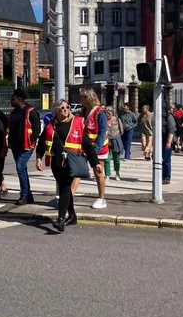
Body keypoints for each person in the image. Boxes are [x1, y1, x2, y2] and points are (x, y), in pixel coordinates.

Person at [36, 100, 101, 232]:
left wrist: (95, 163)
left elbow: (87, 144)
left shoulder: (77, 123)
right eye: (62, 108)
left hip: (71, 161)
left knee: (65, 188)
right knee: (64, 188)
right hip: (56, 162)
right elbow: (42, 142)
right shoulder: (50, 125)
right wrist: (38, 158)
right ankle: (72, 216)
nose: (65, 109)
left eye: (67, 107)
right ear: (56, 110)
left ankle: (60, 219)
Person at [8, 89, 40, 205]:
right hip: (15, 145)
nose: (11, 101)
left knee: (20, 167)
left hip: (27, 145)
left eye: (13, 99)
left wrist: (31, 141)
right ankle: (29, 195)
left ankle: (24, 195)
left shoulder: (31, 111)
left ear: (19, 99)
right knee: (23, 169)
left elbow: (36, 129)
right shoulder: (13, 113)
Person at [78, 88, 108, 209]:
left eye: (81, 97)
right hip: (85, 147)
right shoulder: (83, 111)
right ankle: (69, 195)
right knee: (76, 170)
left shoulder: (100, 112)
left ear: (88, 98)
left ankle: (101, 198)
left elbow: (102, 132)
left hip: (98, 148)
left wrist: (96, 149)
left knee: (98, 173)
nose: (79, 100)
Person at [104, 106, 125, 181]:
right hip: (106, 141)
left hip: (115, 140)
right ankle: (107, 175)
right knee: (107, 159)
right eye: (106, 113)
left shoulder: (117, 120)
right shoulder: (104, 120)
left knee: (116, 158)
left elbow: (121, 131)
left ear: (113, 113)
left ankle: (117, 172)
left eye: (109, 113)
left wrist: (116, 136)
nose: (108, 114)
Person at [161, 105, 177, 184]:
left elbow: (171, 130)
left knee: (166, 159)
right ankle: (160, 176)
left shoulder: (169, 116)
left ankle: (166, 177)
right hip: (159, 140)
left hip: (166, 140)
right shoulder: (157, 115)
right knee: (158, 159)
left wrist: (169, 142)